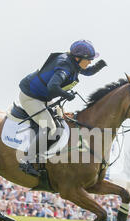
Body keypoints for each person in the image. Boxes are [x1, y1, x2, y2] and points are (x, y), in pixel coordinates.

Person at [18, 39, 107, 176]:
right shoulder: (65, 65)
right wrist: (67, 95)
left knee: (61, 124)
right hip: (31, 97)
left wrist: (100, 65)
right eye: (89, 59)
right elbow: (52, 87)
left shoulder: (74, 63)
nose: (90, 62)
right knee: (50, 128)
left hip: (42, 98)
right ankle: (26, 160)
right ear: (78, 58)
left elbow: (87, 71)